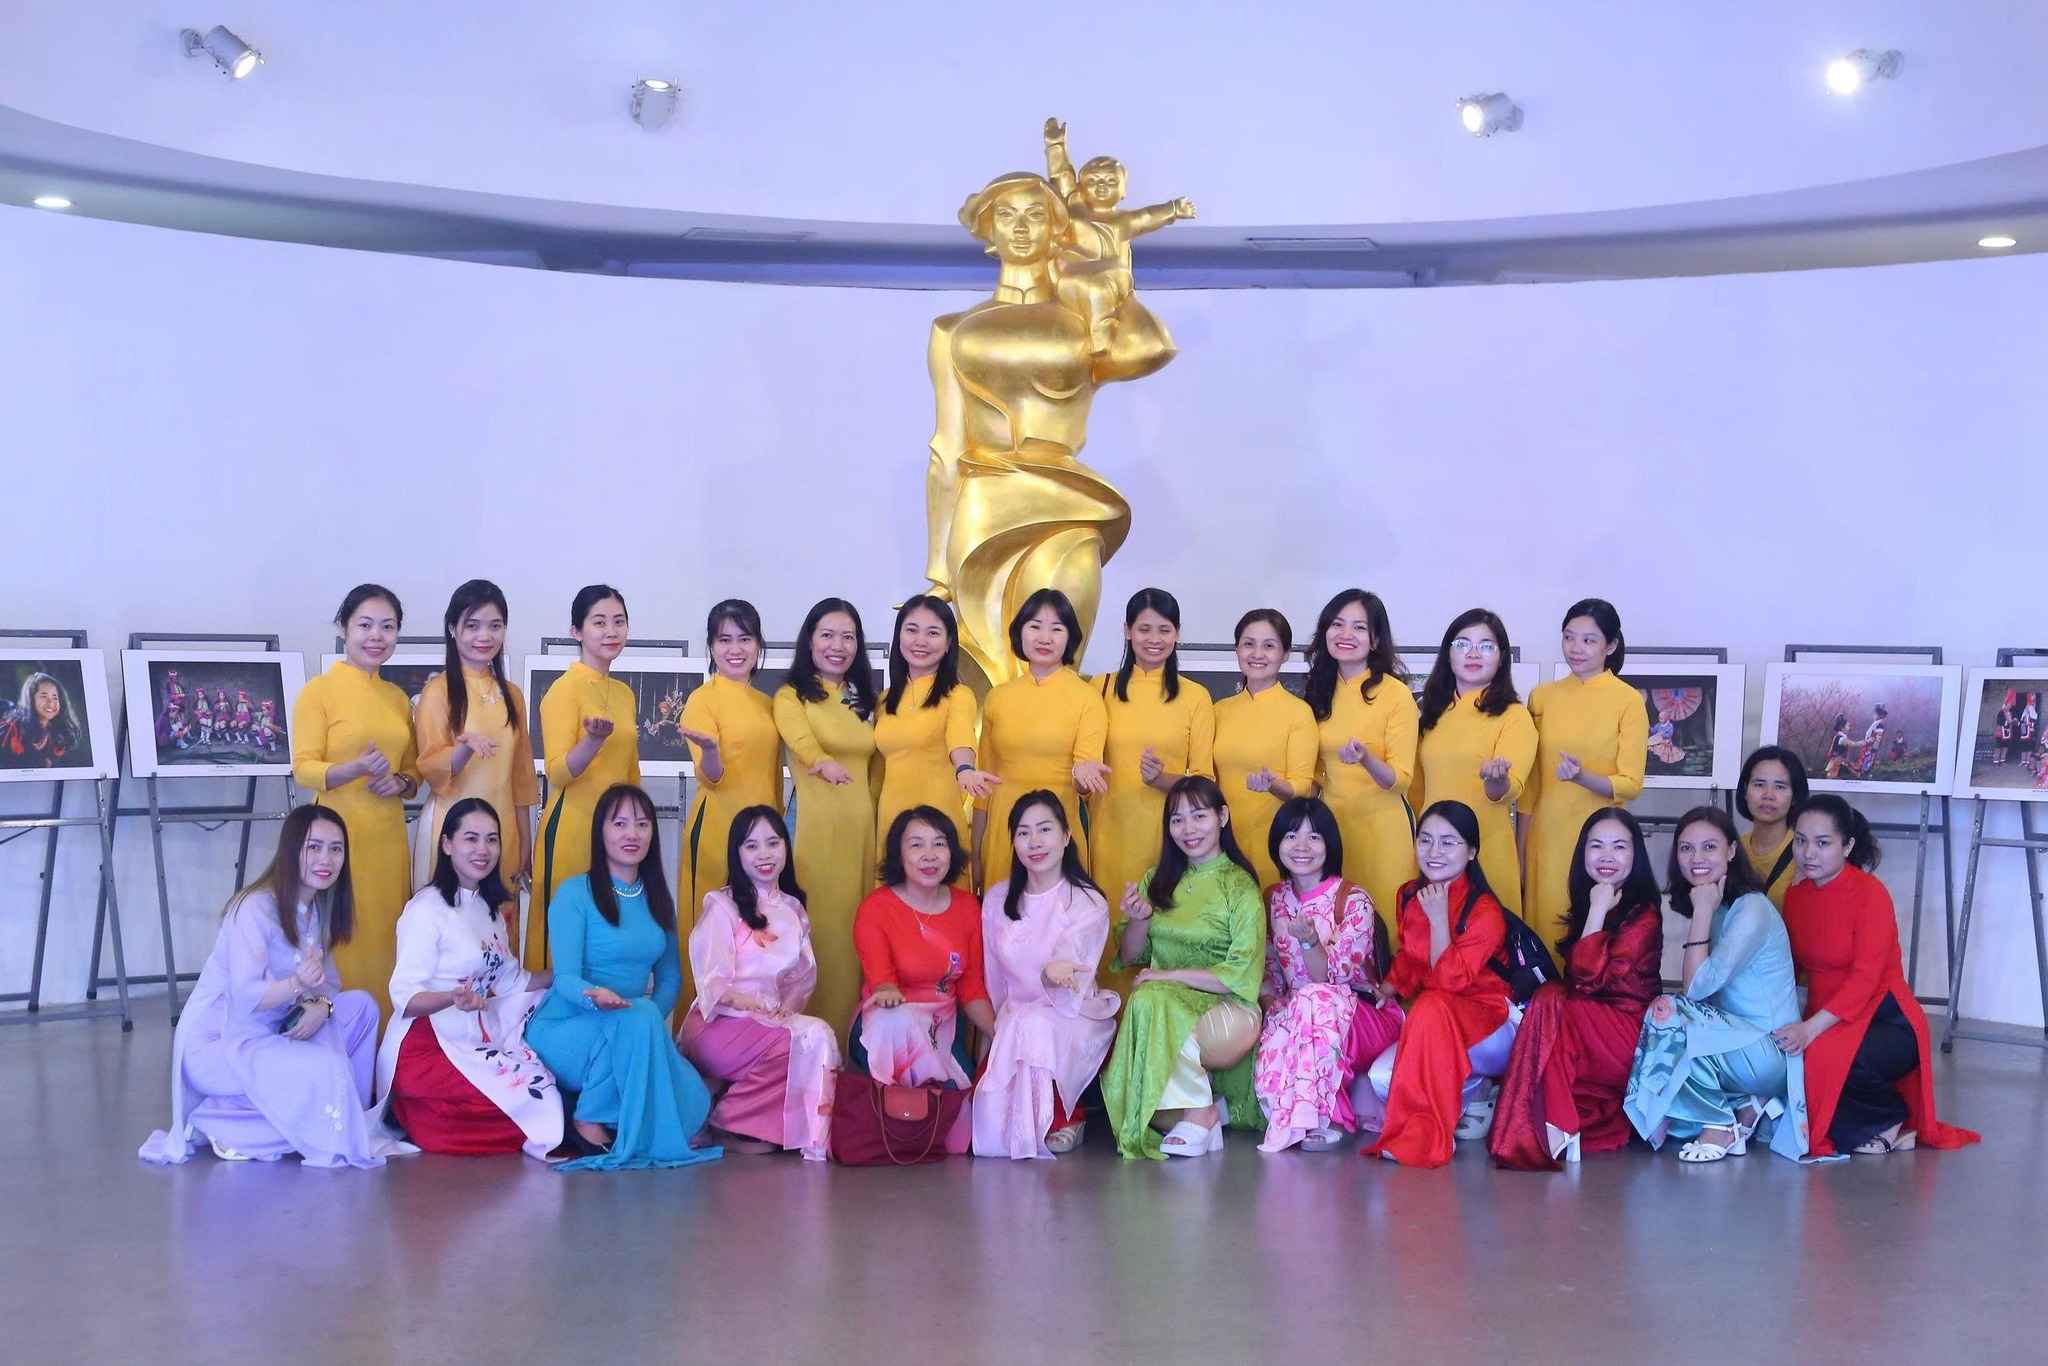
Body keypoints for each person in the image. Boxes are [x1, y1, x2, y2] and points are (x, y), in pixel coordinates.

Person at [140, 807, 405, 1167]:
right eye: (314, 847)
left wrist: (321, 1006)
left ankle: (346, 1114)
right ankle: (222, 1123)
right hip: (224, 1043)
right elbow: (247, 998)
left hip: (277, 1031)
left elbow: (330, 984)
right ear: (291, 850)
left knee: (362, 1008)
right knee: (326, 1069)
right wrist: (298, 985)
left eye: (336, 849)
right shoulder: (253, 908)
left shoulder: (316, 909)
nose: (326, 859)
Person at [525, 784, 722, 1171]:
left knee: (695, 1101)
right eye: (620, 824)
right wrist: (596, 996)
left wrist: (645, 1023)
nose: (632, 834)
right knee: (650, 1055)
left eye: (642, 824)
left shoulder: (657, 898)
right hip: (568, 1025)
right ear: (601, 831)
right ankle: (587, 1117)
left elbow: (671, 979)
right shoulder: (574, 894)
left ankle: (619, 1114)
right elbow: (565, 979)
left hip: (630, 1022)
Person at [1776, 796, 1980, 1157]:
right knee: (1796, 1065)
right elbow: (1791, 967)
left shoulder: (1871, 894)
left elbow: (1864, 981)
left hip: (1886, 1018)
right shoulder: (1796, 897)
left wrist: (1809, 1029)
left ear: (1847, 846)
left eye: (1823, 843)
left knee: (1828, 1058)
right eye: (1801, 840)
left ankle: (1890, 1118)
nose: (1808, 853)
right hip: (1828, 1015)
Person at [374, 799, 560, 1158]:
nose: (482, 850)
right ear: (447, 844)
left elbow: (512, 981)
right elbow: (405, 998)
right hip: (426, 1042)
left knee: (543, 1090)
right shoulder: (426, 909)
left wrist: (566, 974)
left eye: (491, 839)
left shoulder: (490, 911)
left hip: (473, 1036)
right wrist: (452, 997)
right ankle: (415, 1114)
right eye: (471, 839)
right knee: (526, 1102)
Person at [1623, 807, 1808, 1162]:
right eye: (1686, 848)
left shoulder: (1751, 909)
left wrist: (1703, 912)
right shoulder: (1718, 903)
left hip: (1771, 1049)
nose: (1697, 858)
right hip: (1739, 1040)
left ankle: (1720, 1123)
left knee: (1667, 1013)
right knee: (1666, 1017)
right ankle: (1747, 1105)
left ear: (1732, 851)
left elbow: (1696, 989)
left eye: (1709, 847)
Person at [1489, 808, 1663, 1170]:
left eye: (1619, 847)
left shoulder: (1643, 914)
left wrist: (1597, 910)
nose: (1606, 856)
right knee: (1552, 998)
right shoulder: (1595, 899)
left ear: (1636, 855)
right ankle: (1556, 1120)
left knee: (1558, 1004)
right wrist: (1595, 908)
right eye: (1596, 846)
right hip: (1592, 1028)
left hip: (1631, 1035)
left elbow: (1586, 979)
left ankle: (1555, 1124)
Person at [1100, 776, 1264, 1159]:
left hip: (1229, 1013)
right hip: (1166, 1006)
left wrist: (1167, 975)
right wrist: (1139, 919)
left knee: (1150, 996)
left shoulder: (1239, 886)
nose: (1188, 829)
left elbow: (1240, 976)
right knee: (1150, 1107)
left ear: (1223, 817)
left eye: (1199, 816)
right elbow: (1130, 955)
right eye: (1177, 819)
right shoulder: (1157, 880)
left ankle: (1201, 1113)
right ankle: (1205, 1113)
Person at [679, 807, 841, 1161]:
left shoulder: (793, 909)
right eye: (751, 846)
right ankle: (722, 1121)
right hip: (718, 1023)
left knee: (817, 1036)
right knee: (806, 1039)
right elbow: (711, 979)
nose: (764, 854)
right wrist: (747, 1003)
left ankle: (792, 1133)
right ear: (737, 854)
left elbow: (802, 977)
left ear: (786, 847)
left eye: (773, 843)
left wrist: (786, 1010)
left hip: (765, 1024)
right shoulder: (722, 906)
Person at [1362, 801, 1517, 1168]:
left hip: (1491, 1025)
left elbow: (1449, 982)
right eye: (1426, 840)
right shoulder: (1409, 894)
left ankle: (1425, 1138)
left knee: (1432, 1004)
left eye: (1448, 842)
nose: (1434, 852)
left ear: (1471, 851)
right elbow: (1410, 959)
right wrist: (1387, 990)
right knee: (1381, 1078)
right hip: (1437, 1022)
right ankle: (1475, 1093)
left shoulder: (1484, 910)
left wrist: (1438, 920)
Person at [292, 584, 421, 1014]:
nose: (376, 636)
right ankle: (336, 1033)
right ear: (343, 628)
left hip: (387, 840)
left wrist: (401, 782)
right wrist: (354, 769)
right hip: (335, 839)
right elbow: (303, 768)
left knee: (389, 934)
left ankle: (386, 1037)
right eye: (365, 625)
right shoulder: (319, 692)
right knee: (340, 935)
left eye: (388, 627)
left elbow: (415, 770)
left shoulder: (397, 699)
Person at [1253, 796, 1403, 1153]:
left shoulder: (1353, 900)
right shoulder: (1274, 899)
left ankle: (1326, 1117)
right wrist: (1271, 1002)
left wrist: (1310, 942)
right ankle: (1296, 1114)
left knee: (1314, 998)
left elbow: (1330, 980)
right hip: (1302, 1012)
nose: (1301, 846)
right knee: (1283, 1019)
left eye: (1314, 837)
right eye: (1291, 836)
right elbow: (1269, 966)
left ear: (1330, 844)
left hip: (1363, 1018)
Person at [975, 790, 1120, 1158]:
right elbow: (993, 977)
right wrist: (994, 1030)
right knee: (1020, 1026)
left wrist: (1052, 975)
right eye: (1023, 833)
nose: (1034, 842)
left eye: (1044, 829)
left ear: (1067, 836)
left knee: (1036, 1023)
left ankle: (1066, 1117)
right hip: (1013, 1020)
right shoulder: (997, 899)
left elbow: (1072, 967)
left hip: (1073, 1014)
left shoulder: (1087, 900)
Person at [772, 597, 879, 1043]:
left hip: (862, 833)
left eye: (848, 637)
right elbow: (799, 741)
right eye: (828, 635)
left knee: (856, 936)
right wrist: (821, 762)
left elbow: (876, 769)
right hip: (814, 830)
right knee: (816, 934)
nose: (838, 646)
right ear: (810, 640)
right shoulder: (791, 695)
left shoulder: (865, 700)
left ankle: (849, 1046)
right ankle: (804, 1043)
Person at [1521, 599, 1646, 967]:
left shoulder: (1628, 701)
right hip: (1547, 837)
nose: (1576, 648)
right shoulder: (1542, 697)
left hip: (1600, 842)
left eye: (1589, 640)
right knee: (1544, 938)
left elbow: (1630, 783)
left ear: (1611, 645)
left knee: (1591, 939)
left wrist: (1581, 777)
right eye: (1569, 637)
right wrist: (1520, 850)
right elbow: (1530, 786)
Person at [1088, 587, 1216, 923]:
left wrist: (1161, 780)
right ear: (1127, 631)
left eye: (1164, 630)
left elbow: (1204, 782)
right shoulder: (1100, 688)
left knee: (1166, 927)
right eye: (1144, 629)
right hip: (1110, 834)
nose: (1154, 639)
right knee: (1110, 924)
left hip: (1173, 837)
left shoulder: (1196, 697)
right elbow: (1084, 763)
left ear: (1177, 634)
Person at [411, 580, 538, 910]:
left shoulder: (513, 696)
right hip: (452, 833)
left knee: (498, 925)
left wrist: (526, 843)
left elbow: (522, 779)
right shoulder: (438, 692)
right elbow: (430, 766)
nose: (485, 636)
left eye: (495, 626)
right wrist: (463, 750)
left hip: (502, 832)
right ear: (453, 629)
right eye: (472, 625)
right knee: (450, 923)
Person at [532, 585, 640, 971]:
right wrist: (592, 742)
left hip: (618, 831)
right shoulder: (563, 691)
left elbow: (631, 773)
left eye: (619, 622)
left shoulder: (624, 694)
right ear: (576, 631)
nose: (611, 631)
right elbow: (557, 773)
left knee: (610, 933)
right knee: (568, 934)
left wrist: (637, 827)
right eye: (599, 622)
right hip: (573, 828)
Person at [852, 808, 994, 1094]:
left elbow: (971, 989)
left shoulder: (967, 907)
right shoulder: (876, 908)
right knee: (900, 1025)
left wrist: (1002, 1035)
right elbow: (883, 982)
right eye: (917, 845)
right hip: (886, 1027)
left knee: (961, 1101)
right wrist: (887, 990)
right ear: (899, 853)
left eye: (939, 844)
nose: (930, 855)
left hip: (942, 1026)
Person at [1305, 589, 1418, 947]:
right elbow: (1314, 775)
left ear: (1376, 639)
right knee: (1335, 928)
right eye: (1337, 625)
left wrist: (1367, 759)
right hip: (1332, 827)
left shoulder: (1396, 694)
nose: (1346, 634)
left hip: (1383, 828)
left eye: (1358, 627)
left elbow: (1401, 780)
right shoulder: (1318, 691)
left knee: (1387, 927)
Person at [976, 589, 1109, 889]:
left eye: (1056, 628)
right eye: (1035, 626)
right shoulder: (998, 698)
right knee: (1004, 911)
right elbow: (984, 788)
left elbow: (1085, 777)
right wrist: (977, 852)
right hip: (1005, 829)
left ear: (1070, 637)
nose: (1045, 638)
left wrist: (1083, 776)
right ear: (1019, 632)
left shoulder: (1086, 697)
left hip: (1058, 830)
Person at [1411, 608, 1538, 915]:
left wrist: (1497, 780)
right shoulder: (1429, 712)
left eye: (1486, 646)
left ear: (1502, 657)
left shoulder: (1513, 715)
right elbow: (1416, 790)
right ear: (1448, 654)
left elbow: (1509, 789)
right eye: (1462, 644)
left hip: (1485, 849)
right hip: (1433, 850)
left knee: (1487, 936)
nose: (1473, 653)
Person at [680, 599, 781, 939]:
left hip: (763, 836)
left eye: (744, 639)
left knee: (759, 931)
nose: (735, 649)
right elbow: (711, 776)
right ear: (711, 646)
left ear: (758, 644)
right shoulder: (702, 700)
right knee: (713, 931)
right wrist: (710, 750)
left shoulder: (768, 704)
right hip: (717, 831)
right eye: (724, 640)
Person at [873, 595, 994, 860]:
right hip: (890, 823)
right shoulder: (884, 700)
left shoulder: (958, 695)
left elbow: (960, 739)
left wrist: (965, 769)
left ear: (949, 642)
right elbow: (876, 773)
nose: (921, 641)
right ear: (899, 635)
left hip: (938, 827)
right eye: (912, 630)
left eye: (933, 633)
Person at [1211, 609, 1317, 890]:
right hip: (1222, 842)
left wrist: (1273, 785)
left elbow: (1302, 787)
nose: (1257, 654)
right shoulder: (1218, 711)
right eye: (1249, 644)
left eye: (1269, 646)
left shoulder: (1298, 713)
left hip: (1279, 843)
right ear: (1237, 649)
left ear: (1285, 654)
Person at [1736, 745, 1808, 909]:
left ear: (1795, 796)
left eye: (1780, 787)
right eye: (1759, 784)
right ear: (1745, 791)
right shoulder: (1734, 849)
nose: (1768, 795)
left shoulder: (1806, 853)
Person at [0, 670, 83, 767]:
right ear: (31, 699)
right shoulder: (13, 728)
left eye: (55, 697)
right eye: (44, 696)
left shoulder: (56, 735)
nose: (51, 702)